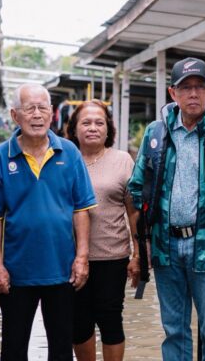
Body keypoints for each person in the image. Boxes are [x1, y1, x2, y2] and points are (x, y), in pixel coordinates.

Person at [128, 57, 205, 360]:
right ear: (173, 93)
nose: (193, 94)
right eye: (186, 88)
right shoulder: (156, 134)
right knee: (174, 331)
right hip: (165, 248)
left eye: (199, 87)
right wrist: (140, 249)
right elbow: (135, 191)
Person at [0, 83, 96, 361]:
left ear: (53, 114)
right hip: (16, 274)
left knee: (62, 350)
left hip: (62, 271)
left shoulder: (69, 153)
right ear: (15, 115)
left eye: (43, 108)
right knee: (13, 350)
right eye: (30, 108)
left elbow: (81, 210)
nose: (37, 115)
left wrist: (82, 258)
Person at [65, 100, 140, 361]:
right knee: (78, 322)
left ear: (109, 130)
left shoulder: (122, 161)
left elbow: (133, 211)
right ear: (74, 129)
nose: (93, 128)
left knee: (110, 318)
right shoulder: (63, 160)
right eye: (86, 123)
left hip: (112, 256)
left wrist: (138, 254)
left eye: (100, 123)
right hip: (70, 258)